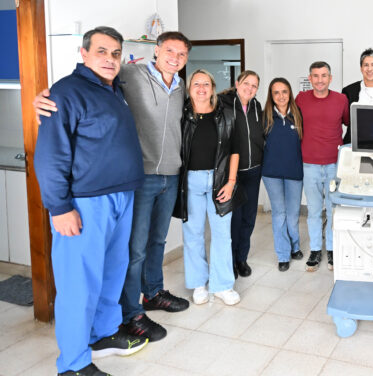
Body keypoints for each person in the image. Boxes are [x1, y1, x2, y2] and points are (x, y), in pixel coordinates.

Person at [35, 31, 192, 342]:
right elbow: (77, 90)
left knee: (151, 244)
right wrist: (43, 98)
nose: (175, 58)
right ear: (156, 51)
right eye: (169, 51)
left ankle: (150, 294)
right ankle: (131, 314)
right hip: (136, 179)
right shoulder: (129, 75)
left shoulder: (177, 87)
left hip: (161, 176)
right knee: (132, 252)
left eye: (181, 54)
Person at [35, 27, 148, 376]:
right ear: (83, 53)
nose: (110, 59)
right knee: (78, 284)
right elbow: (50, 155)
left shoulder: (114, 89)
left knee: (112, 272)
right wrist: (59, 207)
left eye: (115, 53)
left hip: (121, 196)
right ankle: (72, 364)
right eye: (102, 51)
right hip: (84, 203)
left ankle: (103, 334)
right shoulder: (65, 93)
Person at [174, 69, 243, 306]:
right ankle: (198, 283)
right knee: (193, 234)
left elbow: (235, 151)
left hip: (219, 181)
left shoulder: (226, 115)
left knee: (222, 234)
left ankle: (222, 285)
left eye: (206, 84)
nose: (201, 88)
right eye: (196, 84)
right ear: (189, 89)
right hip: (190, 182)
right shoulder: (181, 115)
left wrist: (231, 182)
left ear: (213, 88)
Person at [295, 61, 350, 271]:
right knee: (314, 211)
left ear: (330, 78)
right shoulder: (301, 99)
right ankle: (316, 250)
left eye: (324, 75)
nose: (320, 80)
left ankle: (333, 249)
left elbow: (348, 124)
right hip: (309, 164)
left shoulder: (341, 99)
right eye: (316, 76)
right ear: (310, 79)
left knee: (334, 210)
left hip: (334, 164)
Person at [218, 70, 265, 279]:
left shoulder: (256, 106)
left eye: (254, 86)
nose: (250, 88)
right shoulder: (223, 104)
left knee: (248, 219)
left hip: (254, 171)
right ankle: (229, 260)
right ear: (237, 83)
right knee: (234, 221)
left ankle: (241, 259)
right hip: (232, 174)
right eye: (246, 83)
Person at [262, 77, 305, 271]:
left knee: (293, 214)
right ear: (271, 96)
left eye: (284, 91)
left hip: (294, 172)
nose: (281, 96)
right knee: (279, 214)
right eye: (276, 92)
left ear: (290, 93)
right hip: (271, 174)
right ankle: (283, 254)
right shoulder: (265, 117)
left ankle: (295, 246)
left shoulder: (298, 115)